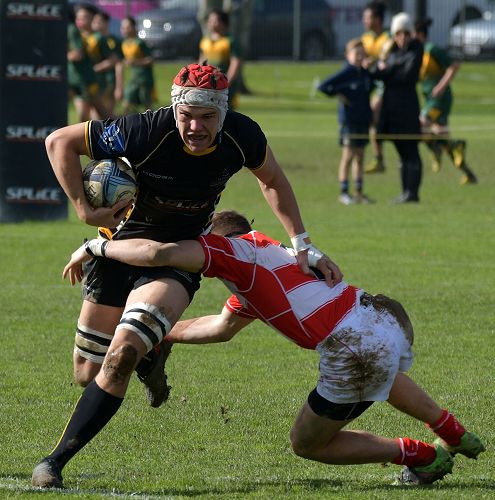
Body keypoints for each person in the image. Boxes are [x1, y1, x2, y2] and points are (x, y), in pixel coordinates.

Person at [31, 63, 341, 488]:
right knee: (88, 372)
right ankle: (154, 352)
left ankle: (53, 463)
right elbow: (58, 142)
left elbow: (272, 180)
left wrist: (302, 243)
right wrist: (84, 211)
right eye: (187, 115)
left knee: (121, 357)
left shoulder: (243, 135)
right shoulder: (143, 130)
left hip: (179, 257)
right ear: (174, 109)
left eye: (208, 117)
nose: (196, 127)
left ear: (224, 113)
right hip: (117, 251)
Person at [62, 209, 486, 486]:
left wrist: (96, 246)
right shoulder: (266, 256)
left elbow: (158, 253)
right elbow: (220, 327)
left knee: (308, 444)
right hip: (381, 316)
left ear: (215, 238)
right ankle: (453, 432)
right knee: (381, 373)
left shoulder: (230, 253)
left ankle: (422, 457)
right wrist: (163, 333)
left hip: (352, 344)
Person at [414, 18, 477, 185]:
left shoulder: (431, 49)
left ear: (419, 34)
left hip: (439, 100)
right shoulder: (417, 53)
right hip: (430, 99)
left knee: (420, 125)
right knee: (442, 136)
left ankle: (436, 148)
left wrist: (441, 86)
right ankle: (469, 173)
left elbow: (454, 65)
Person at [371, 13, 424, 203]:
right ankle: (405, 192)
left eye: (406, 33)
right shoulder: (391, 50)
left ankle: (412, 193)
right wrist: (384, 66)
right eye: (398, 33)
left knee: (411, 150)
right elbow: (377, 72)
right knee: (401, 151)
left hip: (407, 107)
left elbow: (408, 76)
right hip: (391, 107)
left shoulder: (416, 49)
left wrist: (388, 70)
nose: (402, 37)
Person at [318, 38, 375, 205]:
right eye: (356, 54)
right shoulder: (346, 73)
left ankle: (359, 193)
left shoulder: (364, 73)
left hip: (362, 120)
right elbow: (323, 86)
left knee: (360, 156)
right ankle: (343, 193)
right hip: (349, 122)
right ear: (347, 55)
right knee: (348, 155)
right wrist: (339, 93)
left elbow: (371, 86)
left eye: (362, 54)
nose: (360, 57)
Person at [360, 1, 391, 174]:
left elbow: (388, 61)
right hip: (370, 85)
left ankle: (378, 158)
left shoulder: (389, 38)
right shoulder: (365, 39)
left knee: (374, 116)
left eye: (368, 17)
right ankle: (377, 158)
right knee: (373, 121)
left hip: (385, 85)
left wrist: (374, 61)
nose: (364, 20)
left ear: (378, 19)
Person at [68, 4, 110, 122]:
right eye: (78, 17)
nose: (80, 20)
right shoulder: (75, 34)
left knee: (100, 116)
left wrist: (98, 67)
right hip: (78, 80)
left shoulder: (98, 37)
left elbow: (113, 60)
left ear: (93, 18)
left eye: (84, 17)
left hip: (95, 81)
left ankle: (123, 128)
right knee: (85, 117)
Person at [199, 8, 242, 110]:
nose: (210, 23)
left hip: (224, 86)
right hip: (207, 84)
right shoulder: (205, 41)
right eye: (209, 21)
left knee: (225, 111)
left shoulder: (230, 41)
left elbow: (235, 63)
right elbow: (201, 61)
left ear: (223, 23)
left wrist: (227, 82)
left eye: (214, 21)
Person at [120, 16, 156, 113]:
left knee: (146, 103)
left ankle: (152, 120)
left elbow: (150, 60)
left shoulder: (139, 43)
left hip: (144, 78)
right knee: (127, 101)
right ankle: (126, 120)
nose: (124, 30)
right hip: (133, 78)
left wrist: (136, 62)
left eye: (127, 27)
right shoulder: (124, 44)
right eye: (123, 28)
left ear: (134, 27)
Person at [91, 10, 124, 119]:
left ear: (106, 23)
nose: (95, 24)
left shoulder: (114, 40)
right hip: (93, 80)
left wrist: (119, 87)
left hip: (108, 80)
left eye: (98, 22)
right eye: (94, 21)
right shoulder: (90, 38)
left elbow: (117, 63)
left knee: (106, 115)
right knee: (94, 115)